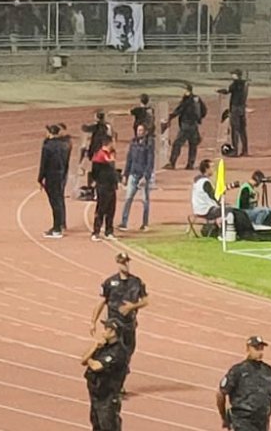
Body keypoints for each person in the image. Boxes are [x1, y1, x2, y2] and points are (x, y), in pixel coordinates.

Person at [91, 251, 149, 393]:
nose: (126, 265)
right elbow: (101, 302)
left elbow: (145, 301)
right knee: (112, 354)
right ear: (118, 263)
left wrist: (132, 307)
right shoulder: (109, 282)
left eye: (127, 262)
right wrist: (93, 321)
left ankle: (119, 384)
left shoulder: (136, 282)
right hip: (113, 326)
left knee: (126, 355)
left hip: (128, 325)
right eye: (123, 262)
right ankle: (111, 384)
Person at [216, 335, 271, 431]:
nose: (260, 352)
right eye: (256, 348)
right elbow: (221, 393)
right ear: (248, 349)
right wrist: (224, 416)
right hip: (242, 420)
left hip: (262, 422)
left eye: (261, 349)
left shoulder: (269, 371)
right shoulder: (238, 371)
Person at [81, 318, 127, 431]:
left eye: (107, 328)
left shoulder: (118, 351)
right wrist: (94, 347)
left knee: (108, 426)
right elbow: (83, 360)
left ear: (113, 332)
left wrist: (90, 360)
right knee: (96, 425)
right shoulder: (103, 346)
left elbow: (97, 366)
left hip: (108, 396)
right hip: (97, 394)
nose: (103, 331)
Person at [119, 123, 153, 231]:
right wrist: (125, 174)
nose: (139, 132)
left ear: (146, 132)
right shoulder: (133, 143)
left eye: (141, 130)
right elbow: (129, 159)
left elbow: (150, 162)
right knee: (128, 198)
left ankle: (145, 224)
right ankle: (124, 223)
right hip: (133, 174)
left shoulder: (149, 144)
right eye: (138, 130)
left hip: (142, 176)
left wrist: (145, 177)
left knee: (145, 201)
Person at [164, 84, 207, 170]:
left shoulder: (186, 100)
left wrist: (170, 117)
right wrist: (199, 119)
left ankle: (172, 163)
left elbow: (179, 110)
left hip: (186, 125)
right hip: (194, 125)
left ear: (187, 91)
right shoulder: (197, 99)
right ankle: (190, 164)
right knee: (193, 145)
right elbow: (204, 110)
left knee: (177, 144)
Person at [38, 123, 70, 238]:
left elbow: (44, 164)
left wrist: (40, 178)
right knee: (59, 200)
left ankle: (57, 229)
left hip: (52, 176)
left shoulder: (48, 147)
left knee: (55, 202)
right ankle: (61, 224)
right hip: (61, 174)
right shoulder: (65, 145)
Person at [90, 141, 120, 241]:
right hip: (103, 186)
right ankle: (96, 232)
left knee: (111, 210)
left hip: (111, 186)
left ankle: (109, 231)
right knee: (101, 209)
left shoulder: (109, 154)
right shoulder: (100, 156)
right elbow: (94, 172)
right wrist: (98, 182)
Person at [226, 69, 249, 156]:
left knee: (235, 129)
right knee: (242, 129)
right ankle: (245, 150)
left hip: (235, 107)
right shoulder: (244, 84)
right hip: (242, 107)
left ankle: (235, 151)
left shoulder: (234, 84)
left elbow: (229, 90)